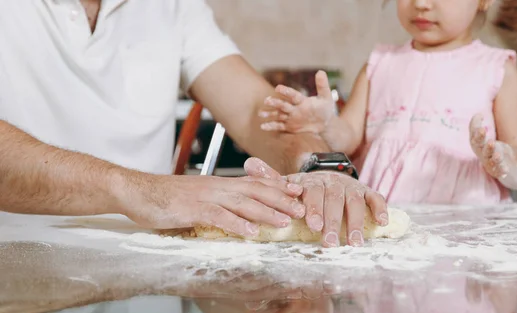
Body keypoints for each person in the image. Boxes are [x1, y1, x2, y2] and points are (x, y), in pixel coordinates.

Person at [0, 0, 387, 247]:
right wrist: (143, 191)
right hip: (15, 261)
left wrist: (317, 165)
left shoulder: (174, 7)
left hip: (146, 269)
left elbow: (256, 109)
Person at [259, 0, 517, 204]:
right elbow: (348, 139)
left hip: (467, 231)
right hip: (385, 224)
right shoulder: (380, 64)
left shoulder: (497, 70)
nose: (420, 4)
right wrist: (325, 125)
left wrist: (505, 161)